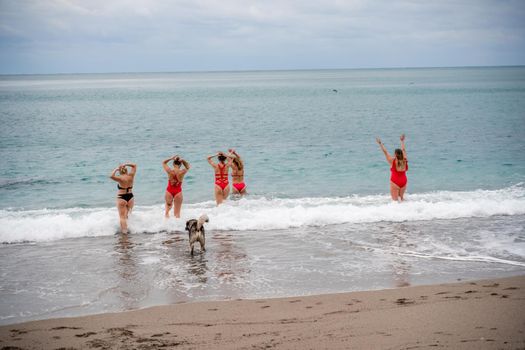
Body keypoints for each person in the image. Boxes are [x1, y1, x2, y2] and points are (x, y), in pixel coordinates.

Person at [376, 134, 408, 201]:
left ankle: (397, 211)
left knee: (395, 201)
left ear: (395, 154)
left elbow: (385, 152)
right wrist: (402, 141)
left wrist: (380, 143)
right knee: (401, 199)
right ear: (401, 154)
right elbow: (404, 149)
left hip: (395, 182)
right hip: (404, 182)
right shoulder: (405, 160)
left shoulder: (392, 161)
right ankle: (407, 210)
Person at [110, 163, 137, 233]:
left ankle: (124, 232)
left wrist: (116, 169)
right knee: (128, 215)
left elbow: (111, 176)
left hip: (121, 197)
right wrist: (126, 164)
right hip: (130, 197)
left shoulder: (120, 178)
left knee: (122, 217)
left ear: (120, 171)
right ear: (126, 170)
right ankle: (130, 229)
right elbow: (134, 165)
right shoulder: (131, 176)